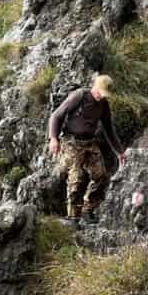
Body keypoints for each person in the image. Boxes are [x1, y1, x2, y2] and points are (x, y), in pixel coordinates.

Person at [48, 75, 125, 225]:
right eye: (99, 92)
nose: (100, 96)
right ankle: (73, 218)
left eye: (103, 94)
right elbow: (56, 116)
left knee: (101, 175)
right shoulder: (80, 96)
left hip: (90, 142)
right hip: (71, 141)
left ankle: (88, 209)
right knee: (76, 177)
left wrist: (119, 152)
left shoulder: (103, 103)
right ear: (94, 86)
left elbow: (109, 129)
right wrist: (53, 138)